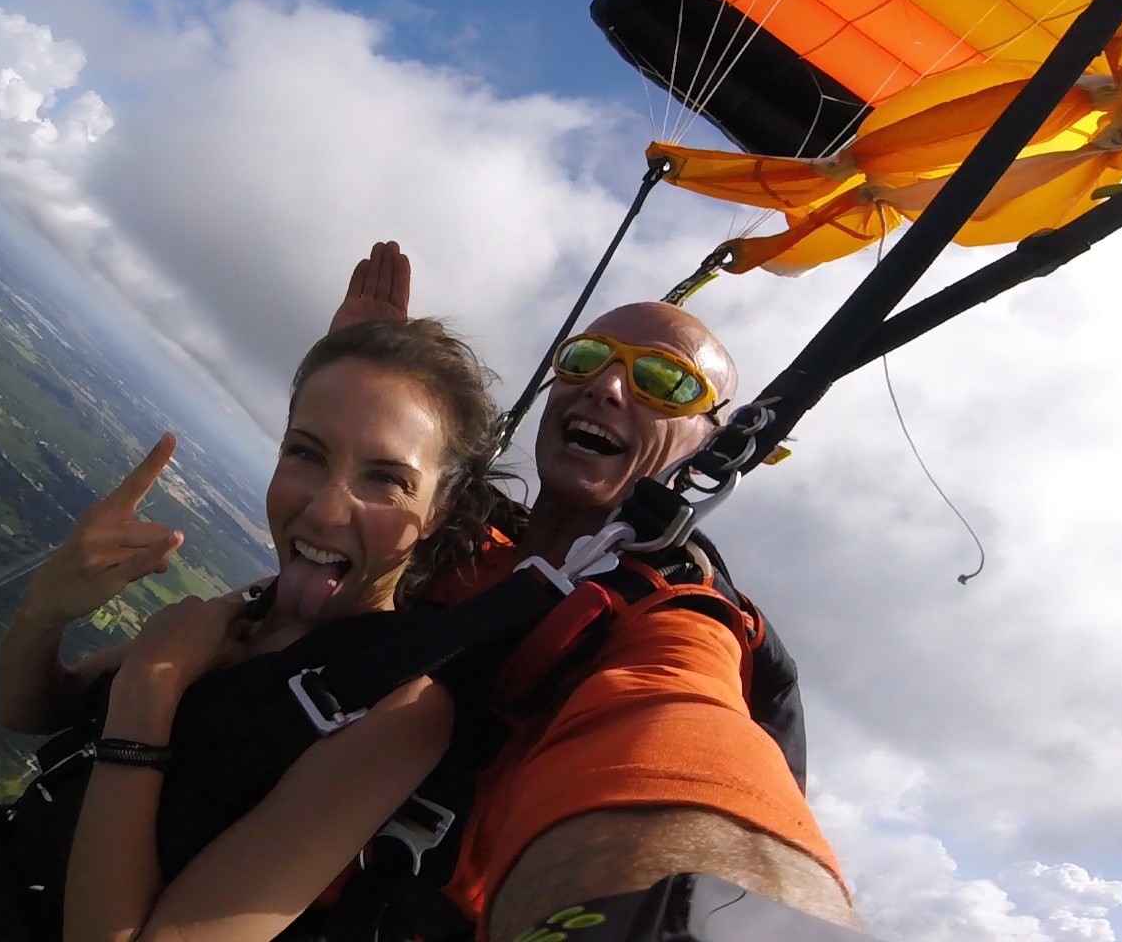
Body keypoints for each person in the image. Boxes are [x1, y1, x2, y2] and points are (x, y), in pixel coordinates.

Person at [0, 317, 508, 942]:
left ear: (440, 511)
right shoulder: (248, 608)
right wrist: (47, 609)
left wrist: (152, 691)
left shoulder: (399, 711)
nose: (326, 509)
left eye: (385, 478)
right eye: (306, 453)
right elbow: (33, 709)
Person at [328, 243, 858, 940]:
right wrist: (356, 395)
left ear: (708, 447)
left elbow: (681, 729)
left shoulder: (674, 619)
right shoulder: (459, 537)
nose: (605, 387)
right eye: (584, 359)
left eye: (664, 382)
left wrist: (682, 906)